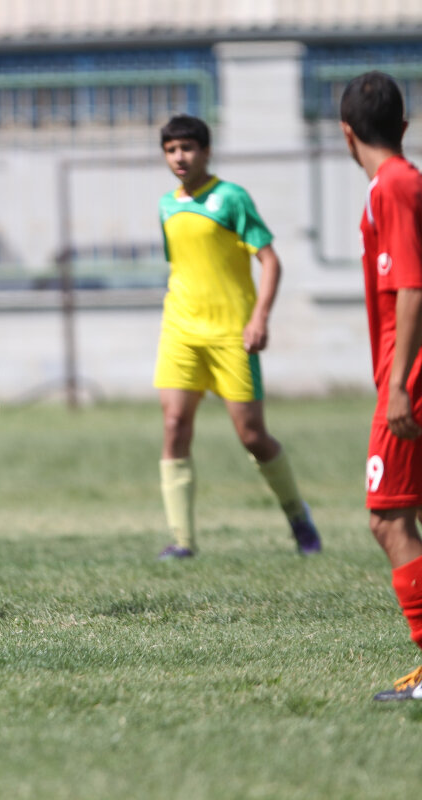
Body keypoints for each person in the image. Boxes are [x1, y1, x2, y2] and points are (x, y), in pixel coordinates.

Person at [152, 114, 321, 560]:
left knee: (251, 436)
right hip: (180, 332)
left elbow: (271, 261)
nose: (179, 157)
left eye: (188, 148)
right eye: (171, 150)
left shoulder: (231, 198)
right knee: (174, 425)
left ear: (206, 151)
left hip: (231, 335)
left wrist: (259, 317)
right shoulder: (167, 205)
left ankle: (298, 516)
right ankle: (182, 541)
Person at [339, 71, 422, 701]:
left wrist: (397, 386)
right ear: (404, 125)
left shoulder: (392, 186)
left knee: (388, 517)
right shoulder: (402, 182)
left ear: (346, 134)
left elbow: (412, 287)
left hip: (410, 377)